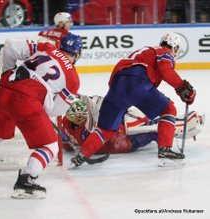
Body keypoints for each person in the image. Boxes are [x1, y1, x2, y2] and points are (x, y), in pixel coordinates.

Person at [0, 32, 83, 199]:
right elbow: (55, 111)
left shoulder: (47, 47)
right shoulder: (73, 79)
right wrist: (40, 104)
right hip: (26, 102)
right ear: (77, 54)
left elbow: (10, 48)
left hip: (3, 91)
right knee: (50, 145)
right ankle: (26, 179)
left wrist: (7, 73)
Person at [70, 32, 196, 168]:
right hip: (136, 80)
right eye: (176, 49)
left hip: (117, 85)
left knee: (105, 128)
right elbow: (166, 70)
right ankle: (164, 150)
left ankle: (80, 156)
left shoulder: (148, 51)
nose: (175, 53)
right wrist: (183, 87)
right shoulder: (163, 51)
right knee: (168, 109)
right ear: (173, 46)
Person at [62, 96, 204, 154]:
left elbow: (66, 144)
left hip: (118, 134)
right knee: (154, 128)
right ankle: (185, 127)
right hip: (122, 140)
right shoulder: (85, 130)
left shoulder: (67, 124)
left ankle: (176, 121)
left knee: (148, 120)